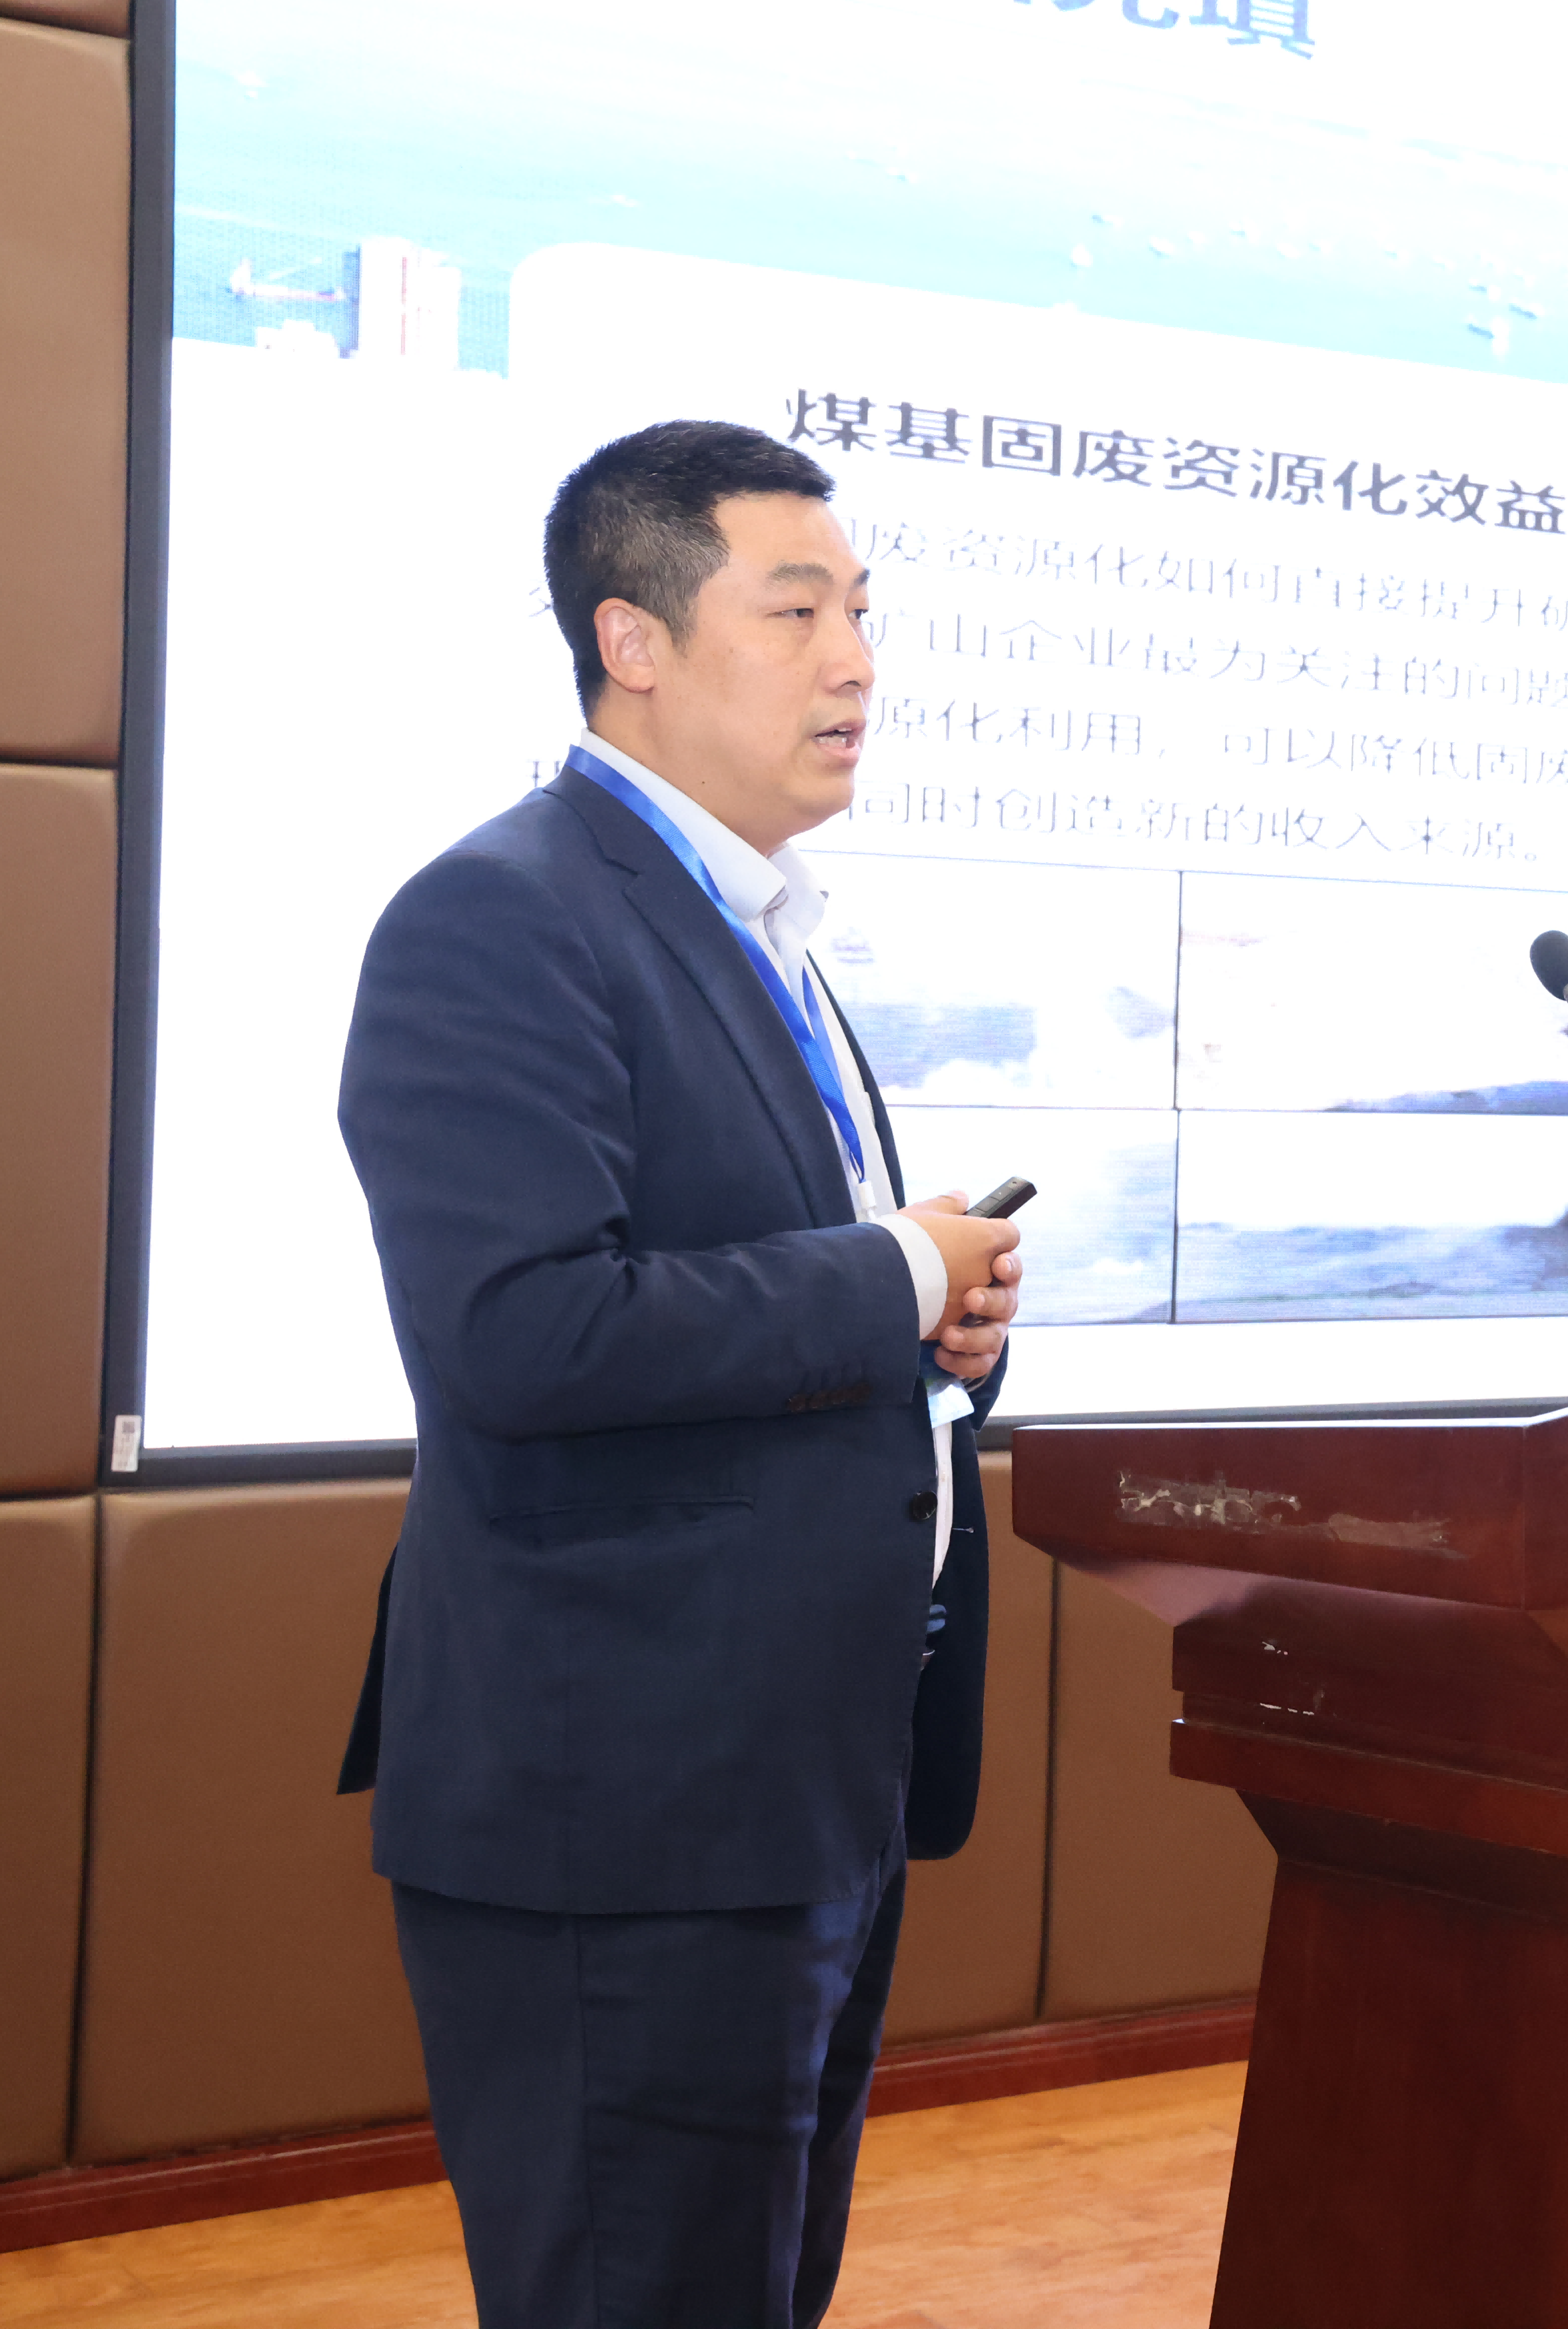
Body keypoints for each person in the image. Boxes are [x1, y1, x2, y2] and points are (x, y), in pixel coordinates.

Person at [333, 420, 1024, 2329]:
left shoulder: (764, 932)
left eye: (863, 611)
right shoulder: (505, 916)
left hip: (800, 1783)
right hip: (629, 1808)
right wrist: (892, 1272)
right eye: (796, 612)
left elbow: (762, 1303)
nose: (856, 660)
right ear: (630, 641)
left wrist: (939, 1338)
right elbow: (521, 1332)